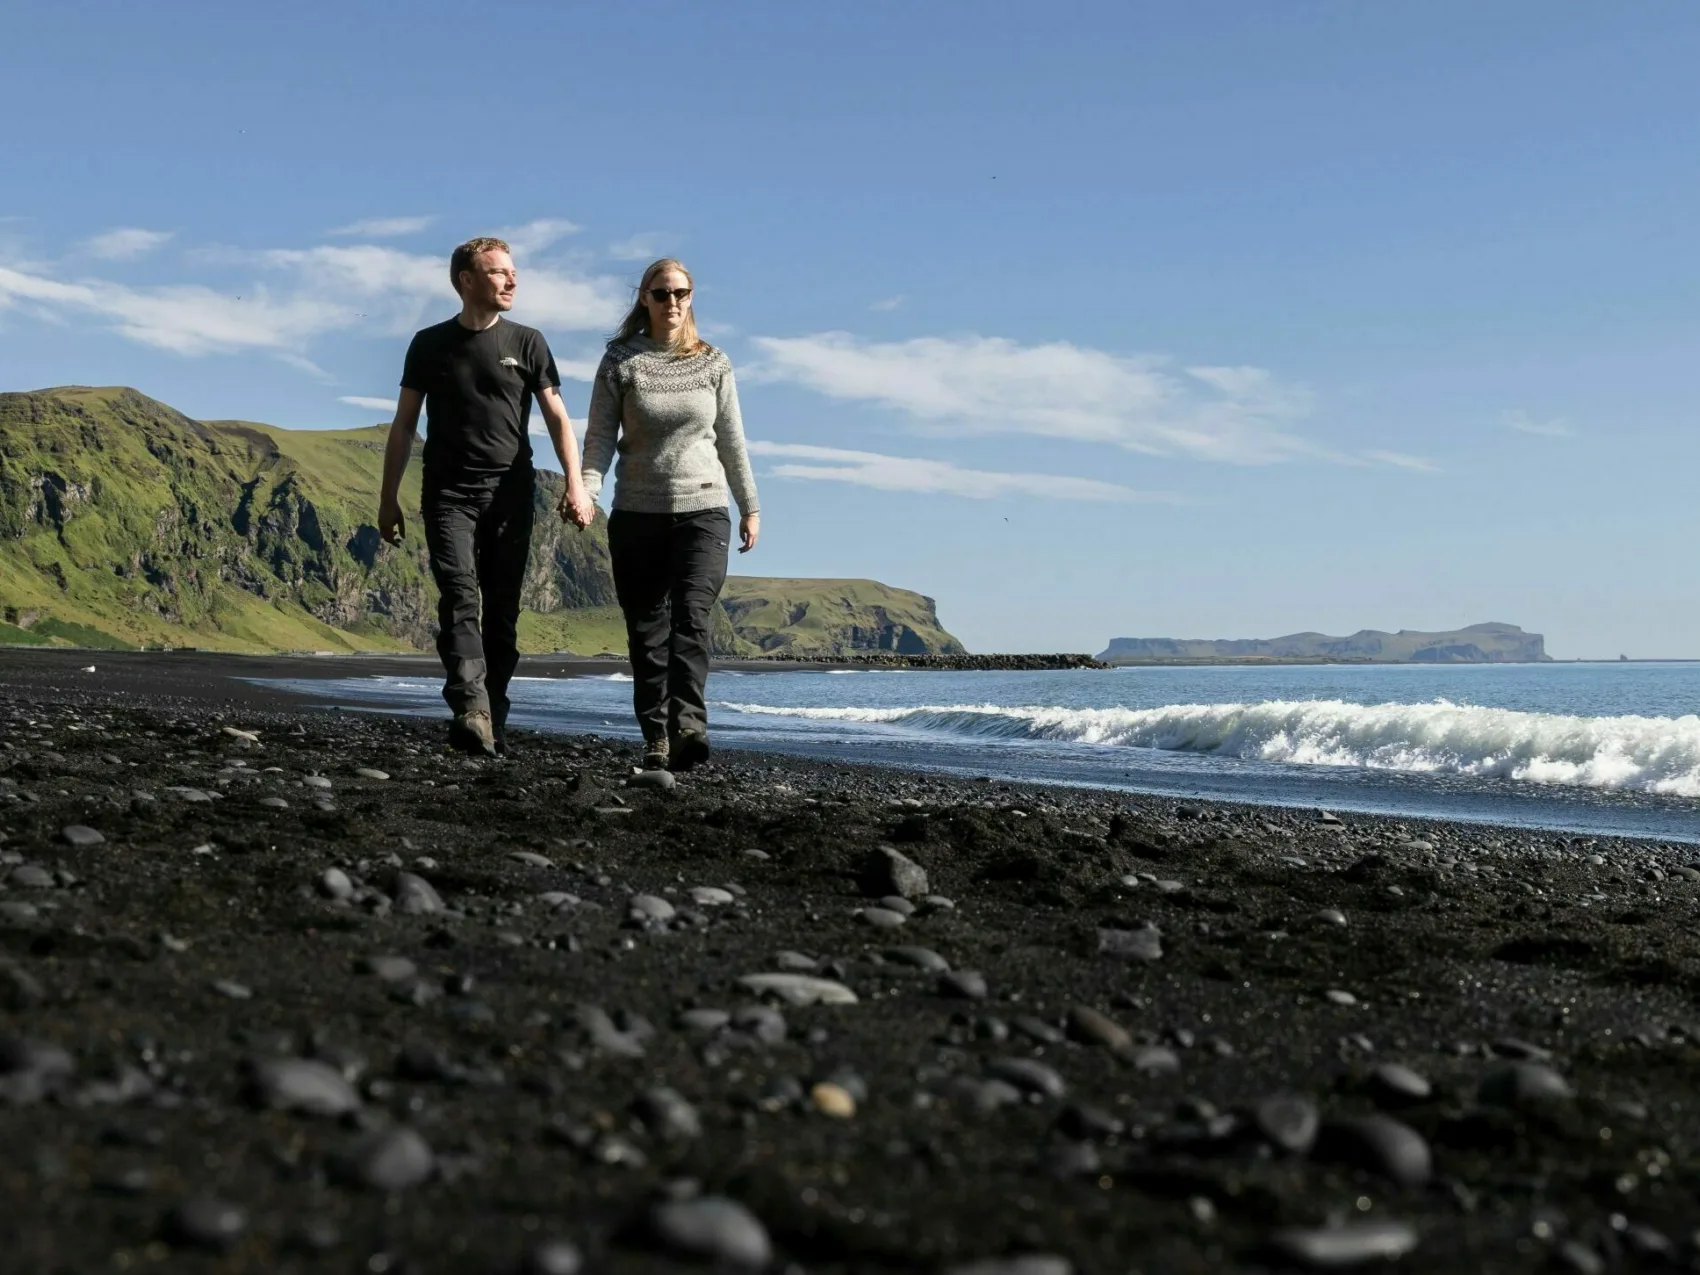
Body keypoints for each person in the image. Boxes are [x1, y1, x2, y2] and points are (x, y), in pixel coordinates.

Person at [377, 236, 595, 757]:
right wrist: (388, 498)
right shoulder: (429, 344)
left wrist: (576, 484)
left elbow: (558, 418)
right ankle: (470, 707)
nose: (512, 280)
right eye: (499, 272)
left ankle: (491, 712)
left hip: (511, 493)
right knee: (460, 596)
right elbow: (405, 426)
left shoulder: (528, 342)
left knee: (501, 611)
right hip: (448, 492)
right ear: (466, 281)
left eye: (513, 272)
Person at [582, 258, 760, 772]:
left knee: (693, 616)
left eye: (681, 293)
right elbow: (599, 438)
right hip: (637, 512)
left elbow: (732, 441)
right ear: (644, 298)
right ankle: (656, 736)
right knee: (646, 630)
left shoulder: (714, 363)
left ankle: (689, 727)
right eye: (662, 294)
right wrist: (587, 491)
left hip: (704, 509)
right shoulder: (621, 361)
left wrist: (750, 505)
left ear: (691, 297)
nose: (672, 302)